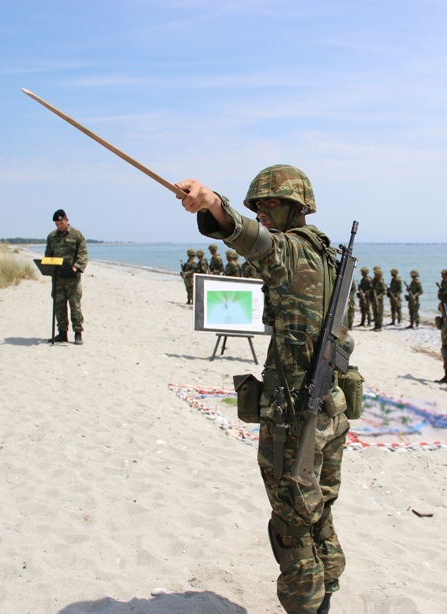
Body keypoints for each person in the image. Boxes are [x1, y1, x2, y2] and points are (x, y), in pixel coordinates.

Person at [176, 164, 351, 614]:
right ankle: (326, 594)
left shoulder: (291, 251)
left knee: (292, 525)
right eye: (257, 205)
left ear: (295, 206)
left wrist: (216, 205)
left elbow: (253, 240)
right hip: (330, 407)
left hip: (297, 416)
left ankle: (306, 606)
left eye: (269, 203)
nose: (262, 212)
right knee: (319, 511)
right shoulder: (327, 255)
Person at [45, 209, 88, 344]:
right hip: (57, 278)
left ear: (67, 220)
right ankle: (62, 333)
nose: (59, 226)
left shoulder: (77, 235)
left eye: (61, 223)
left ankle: (78, 333)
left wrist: (77, 266)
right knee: (59, 305)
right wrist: (48, 265)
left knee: (74, 305)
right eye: (57, 224)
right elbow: (48, 255)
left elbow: (83, 254)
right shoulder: (52, 236)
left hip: (72, 278)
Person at [371, 266, 386, 331]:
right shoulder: (374, 281)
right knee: (375, 312)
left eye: (376, 274)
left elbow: (384, 291)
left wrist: (379, 296)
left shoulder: (381, 282)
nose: (375, 275)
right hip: (374, 298)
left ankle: (379, 326)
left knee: (379, 313)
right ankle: (376, 326)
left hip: (379, 300)